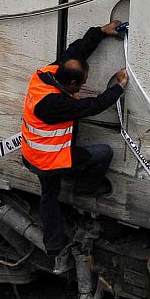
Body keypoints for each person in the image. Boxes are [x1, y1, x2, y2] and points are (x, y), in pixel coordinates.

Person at [21, 19, 129, 254]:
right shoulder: (54, 104)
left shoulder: (45, 75)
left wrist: (100, 31)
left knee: (49, 195)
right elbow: (93, 105)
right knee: (102, 154)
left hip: (33, 153)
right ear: (71, 83)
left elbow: (75, 51)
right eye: (80, 85)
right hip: (49, 161)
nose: (81, 88)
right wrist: (119, 88)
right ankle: (83, 187)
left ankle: (54, 244)